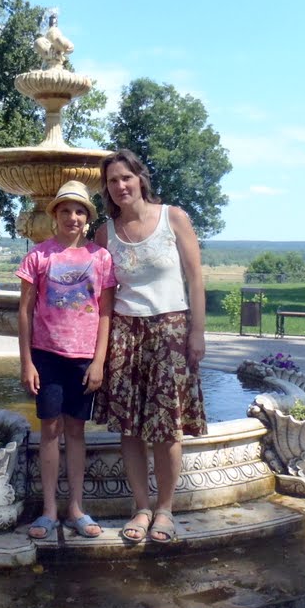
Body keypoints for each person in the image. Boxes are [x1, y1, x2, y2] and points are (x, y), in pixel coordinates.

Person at [94, 149, 207, 545]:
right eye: (112, 180)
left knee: (167, 428)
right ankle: (141, 508)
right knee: (129, 428)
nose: (120, 185)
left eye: (125, 177)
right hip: (125, 333)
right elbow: (105, 295)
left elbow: (195, 278)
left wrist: (197, 331)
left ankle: (165, 509)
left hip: (170, 331)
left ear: (140, 178)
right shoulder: (105, 233)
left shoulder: (173, 218)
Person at [16, 181, 116, 540]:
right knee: (49, 430)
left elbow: (105, 312)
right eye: (65, 211)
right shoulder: (39, 256)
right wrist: (26, 362)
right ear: (55, 216)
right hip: (47, 356)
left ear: (87, 218)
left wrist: (99, 361)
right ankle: (48, 510)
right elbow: (24, 311)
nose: (72, 217)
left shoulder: (100, 258)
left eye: (79, 212)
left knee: (76, 431)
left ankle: (75, 507)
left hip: (83, 358)